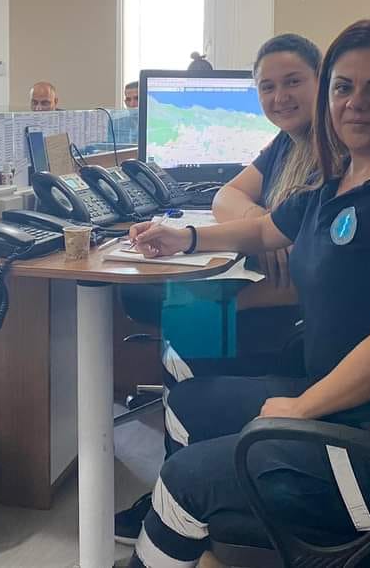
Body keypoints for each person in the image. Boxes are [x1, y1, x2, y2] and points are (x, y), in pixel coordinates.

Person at [121, 19, 370, 568]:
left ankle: (187, 516)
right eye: (345, 88)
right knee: (186, 398)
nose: (355, 103)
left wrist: (299, 409)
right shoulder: (338, 179)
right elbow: (266, 228)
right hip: (342, 394)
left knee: (184, 466)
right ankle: (203, 537)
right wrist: (184, 236)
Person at [115, 33, 322, 542]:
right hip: (283, 295)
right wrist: (266, 222)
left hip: (305, 311)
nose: (280, 97)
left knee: (187, 329)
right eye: (268, 87)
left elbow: (320, 272)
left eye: (293, 82)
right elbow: (227, 196)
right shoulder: (287, 143)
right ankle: (183, 481)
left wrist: (267, 234)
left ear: (323, 80)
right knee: (186, 320)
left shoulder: (333, 152)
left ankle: (188, 488)